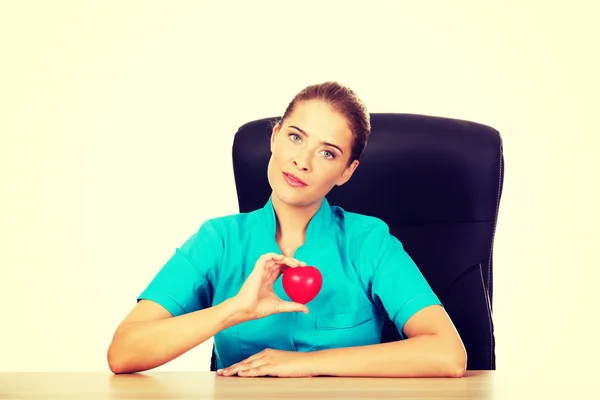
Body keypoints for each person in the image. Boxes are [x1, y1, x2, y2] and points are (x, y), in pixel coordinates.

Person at [106, 82, 467, 378]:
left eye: (327, 153)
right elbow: (123, 352)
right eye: (296, 137)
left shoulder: (368, 241)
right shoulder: (218, 240)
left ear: (347, 171)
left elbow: (448, 353)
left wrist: (302, 364)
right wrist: (235, 309)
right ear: (275, 136)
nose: (302, 161)